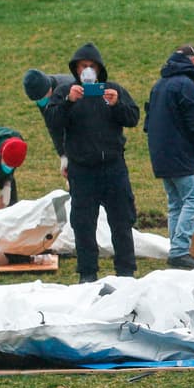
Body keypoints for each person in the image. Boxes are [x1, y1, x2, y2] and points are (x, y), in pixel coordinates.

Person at [43, 42, 141, 283]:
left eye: (92, 66)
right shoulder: (65, 92)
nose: (87, 70)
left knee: (122, 219)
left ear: (99, 69)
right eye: (83, 66)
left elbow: (133, 118)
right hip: (82, 169)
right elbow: (53, 121)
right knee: (83, 223)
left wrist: (117, 104)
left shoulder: (112, 89)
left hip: (114, 167)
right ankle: (87, 273)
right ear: (76, 69)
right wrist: (68, 101)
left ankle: (126, 271)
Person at [145, 44, 194, 270]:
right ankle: (180, 251)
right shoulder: (185, 85)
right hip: (181, 153)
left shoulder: (159, 85)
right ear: (193, 60)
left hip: (160, 153)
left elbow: (149, 123)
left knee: (176, 203)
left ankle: (176, 250)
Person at [22, 68, 75, 169]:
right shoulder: (42, 96)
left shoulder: (70, 89)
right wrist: (63, 155)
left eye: (43, 97)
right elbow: (53, 125)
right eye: (38, 100)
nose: (42, 101)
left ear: (49, 88)